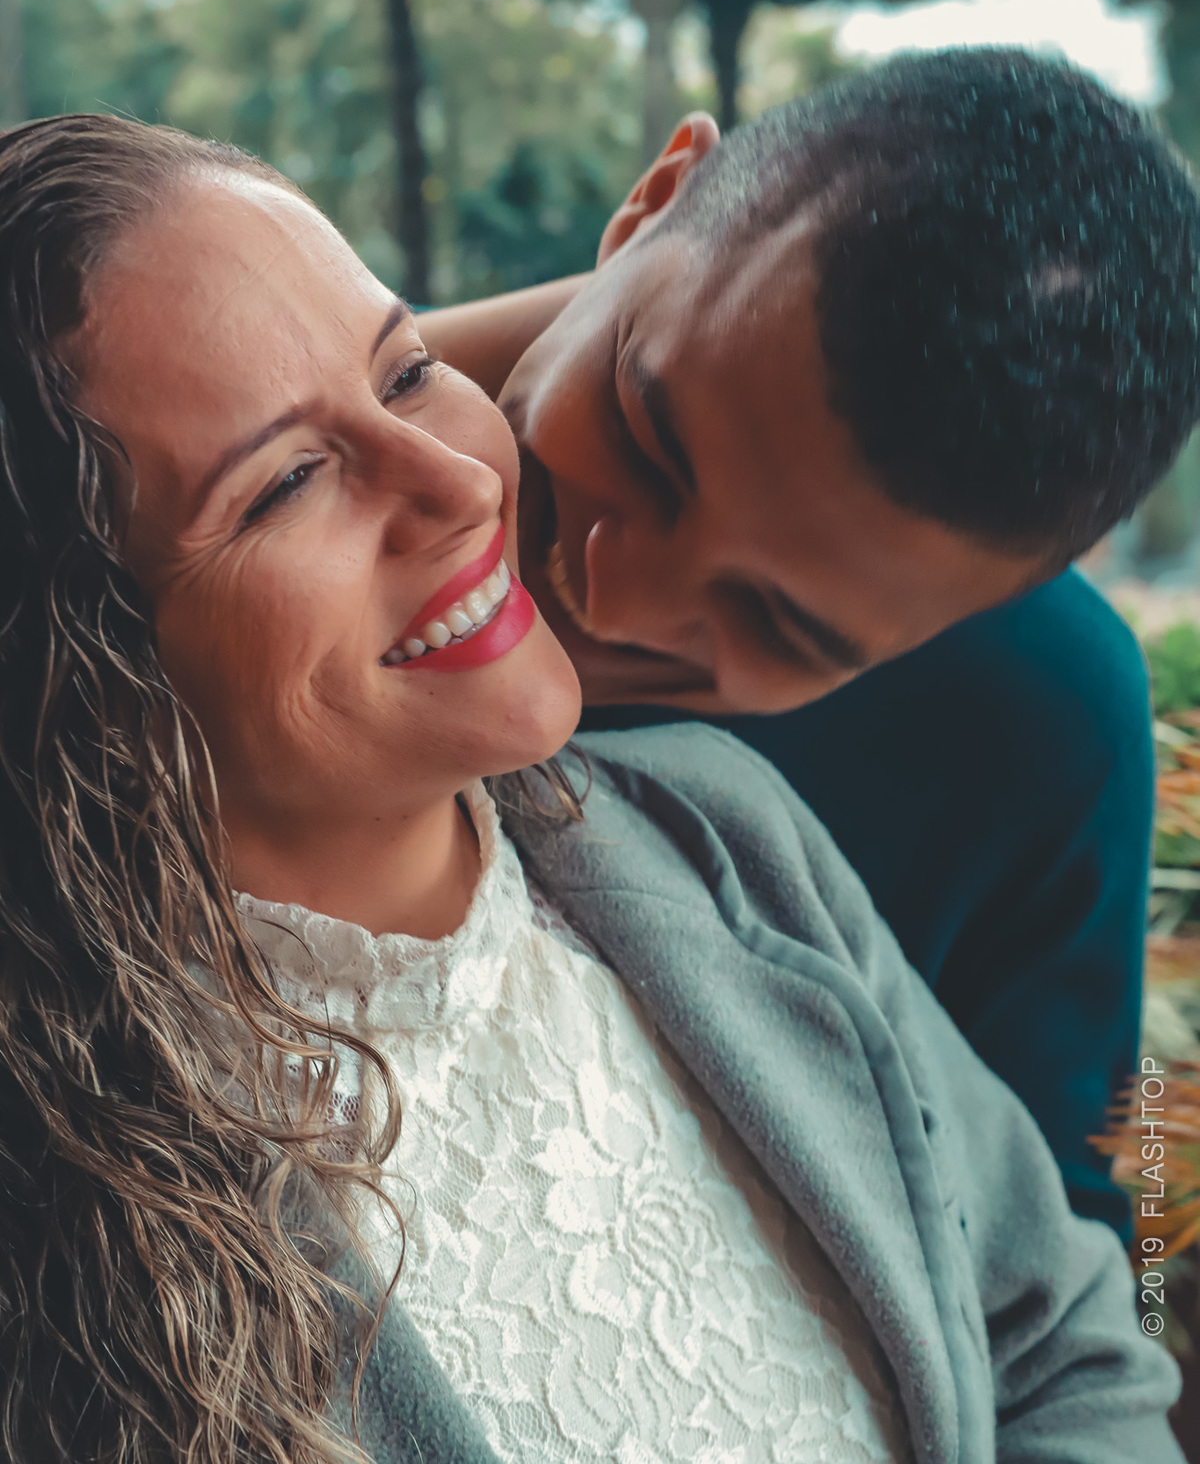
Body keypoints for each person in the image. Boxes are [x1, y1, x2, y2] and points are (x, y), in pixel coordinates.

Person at [0, 111, 1185, 1463]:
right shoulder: (69, 1174)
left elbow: (1071, 1316)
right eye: (287, 487)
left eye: (778, 621)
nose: (593, 588)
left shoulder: (759, 826)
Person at [419, 48, 1200, 1234]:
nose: (614, 602)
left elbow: (1076, 1243)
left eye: (776, 624)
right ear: (656, 199)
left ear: (980, 612)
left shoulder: (1034, 722)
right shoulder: (136, 491)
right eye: (643, 438)